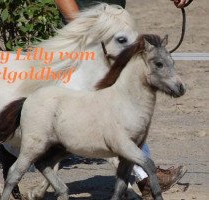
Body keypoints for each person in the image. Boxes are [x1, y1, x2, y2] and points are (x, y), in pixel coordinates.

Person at [54, 0, 188, 199]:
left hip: (115, 34)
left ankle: (142, 179)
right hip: (86, 38)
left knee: (126, 110)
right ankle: (144, 178)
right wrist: (87, 29)